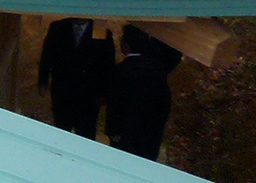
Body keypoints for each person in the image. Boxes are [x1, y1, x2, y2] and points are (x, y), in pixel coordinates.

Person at [107, 25, 183, 159]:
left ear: (125, 45)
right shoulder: (158, 71)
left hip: (124, 135)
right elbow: (164, 103)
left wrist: (113, 130)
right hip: (150, 135)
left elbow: (115, 103)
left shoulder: (120, 71)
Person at [37, 17, 114, 138]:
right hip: (62, 89)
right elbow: (46, 56)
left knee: (86, 132)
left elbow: (108, 64)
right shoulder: (58, 27)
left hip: (89, 93)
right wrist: (43, 81)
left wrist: (105, 93)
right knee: (61, 129)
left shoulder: (100, 30)